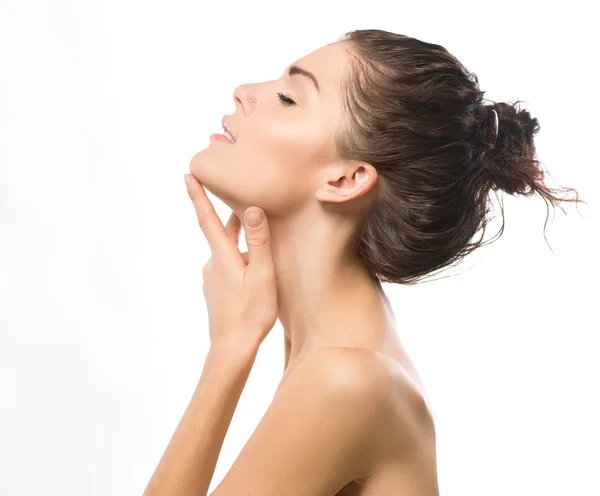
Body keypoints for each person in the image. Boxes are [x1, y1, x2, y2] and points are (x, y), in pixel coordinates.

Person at [149, 29, 585, 496]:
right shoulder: (334, 345)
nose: (245, 92)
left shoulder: (347, 380)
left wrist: (229, 349)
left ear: (346, 179)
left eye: (287, 98)